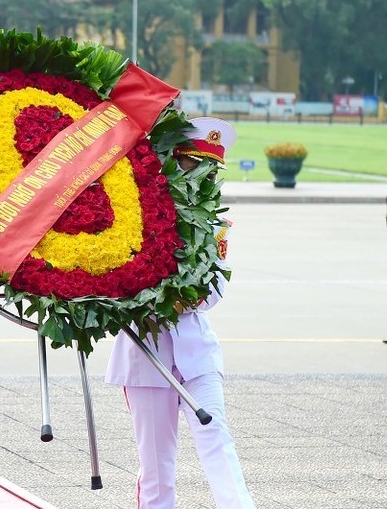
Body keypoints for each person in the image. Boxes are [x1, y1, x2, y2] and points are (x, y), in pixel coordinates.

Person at [105, 117, 255, 509]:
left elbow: (215, 290)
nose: (201, 175)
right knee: (156, 470)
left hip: (195, 352)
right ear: (173, 160)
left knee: (218, 445)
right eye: (192, 164)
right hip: (145, 356)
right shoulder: (135, 213)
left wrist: (184, 299)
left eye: (209, 168)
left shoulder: (215, 222)